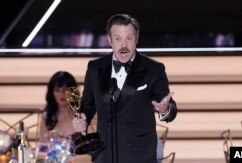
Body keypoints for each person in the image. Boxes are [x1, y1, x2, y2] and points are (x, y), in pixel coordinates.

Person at [72, 14, 177, 163]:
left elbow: (169, 106)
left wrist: (165, 109)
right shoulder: (95, 68)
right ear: (109, 40)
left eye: (129, 38)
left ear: (137, 38)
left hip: (139, 155)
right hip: (105, 155)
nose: (124, 46)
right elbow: (87, 106)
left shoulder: (153, 69)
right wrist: (81, 119)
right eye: (118, 39)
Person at [39, 71, 78, 143]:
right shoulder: (47, 117)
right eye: (57, 90)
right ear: (51, 93)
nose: (61, 94)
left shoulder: (82, 113)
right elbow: (42, 148)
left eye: (65, 89)